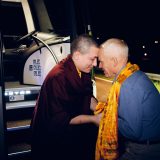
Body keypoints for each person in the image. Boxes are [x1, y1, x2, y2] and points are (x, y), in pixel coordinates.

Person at [30, 34, 101, 160]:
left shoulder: (81, 70)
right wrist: (94, 119)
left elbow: (86, 96)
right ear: (77, 55)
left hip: (70, 130)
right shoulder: (59, 77)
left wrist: (101, 109)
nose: (95, 64)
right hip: (52, 136)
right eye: (92, 59)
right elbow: (60, 118)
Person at [95, 38, 160, 160]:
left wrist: (105, 119)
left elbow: (132, 131)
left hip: (145, 150)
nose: (99, 66)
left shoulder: (127, 85)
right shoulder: (131, 74)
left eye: (101, 61)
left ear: (114, 61)